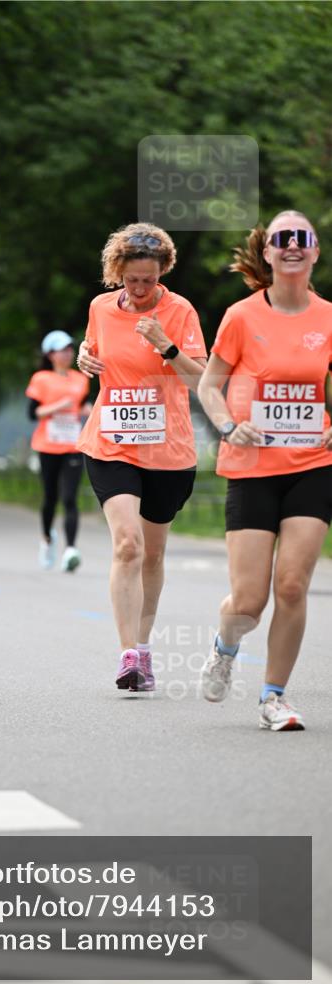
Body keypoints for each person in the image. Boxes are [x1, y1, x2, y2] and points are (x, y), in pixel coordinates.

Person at [198, 210, 332, 732]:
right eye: (283, 239)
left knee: (293, 586)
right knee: (249, 601)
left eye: (303, 239)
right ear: (269, 253)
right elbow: (210, 384)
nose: (293, 246)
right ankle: (225, 645)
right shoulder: (241, 316)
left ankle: (274, 696)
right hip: (252, 466)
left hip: (312, 465)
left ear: (315, 252)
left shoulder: (327, 316)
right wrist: (229, 426)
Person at [76, 223, 207, 692]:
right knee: (127, 544)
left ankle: (145, 648)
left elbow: (201, 381)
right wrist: (83, 359)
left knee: (152, 554)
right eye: (132, 280)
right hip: (112, 441)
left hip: (167, 448)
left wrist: (166, 346)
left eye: (149, 280)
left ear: (162, 272)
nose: (140, 289)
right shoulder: (100, 308)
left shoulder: (180, 311)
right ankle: (128, 654)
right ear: (118, 273)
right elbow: (93, 350)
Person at [25, 330, 91, 571]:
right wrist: (57, 407)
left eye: (70, 349)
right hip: (47, 446)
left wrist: (94, 412)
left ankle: (71, 549)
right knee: (50, 498)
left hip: (73, 445)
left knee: (70, 498)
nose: (68, 353)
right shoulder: (41, 379)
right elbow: (32, 413)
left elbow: (84, 405)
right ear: (50, 354)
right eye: (62, 350)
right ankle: (47, 539)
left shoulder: (80, 379)